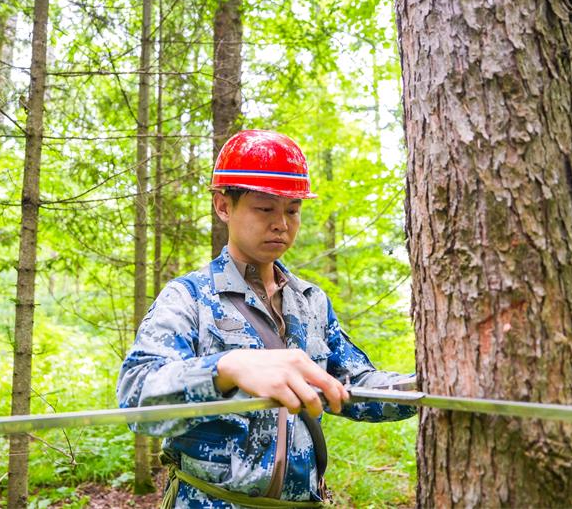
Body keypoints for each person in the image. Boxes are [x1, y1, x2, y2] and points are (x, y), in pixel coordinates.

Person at [116, 130, 416, 508]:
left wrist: (422, 387)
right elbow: (137, 395)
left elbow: (354, 386)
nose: (281, 224)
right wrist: (226, 369)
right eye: (264, 208)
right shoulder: (189, 298)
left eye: (292, 210)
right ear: (223, 206)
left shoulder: (311, 302)